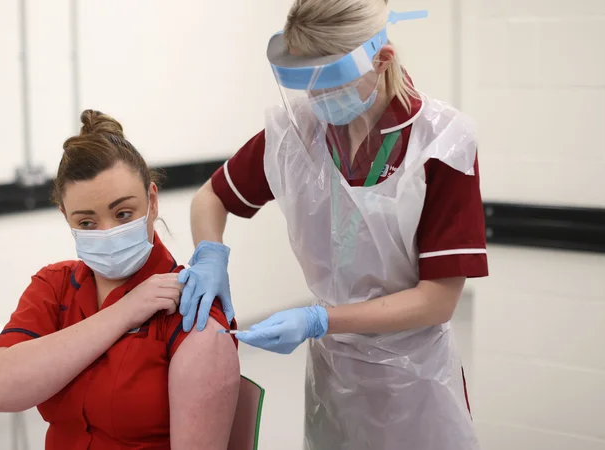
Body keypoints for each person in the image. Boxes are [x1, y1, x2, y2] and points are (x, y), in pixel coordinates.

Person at [178, 0, 488, 448]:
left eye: (331, 82)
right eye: (309, 84)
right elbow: (210, 198)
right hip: (333, 376)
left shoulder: (442, 144)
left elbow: (437, 300)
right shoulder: (296, 133)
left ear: (381, 61)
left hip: (415, 382)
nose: (319, 100)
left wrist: (319, 319)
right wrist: (210, 256)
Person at [0, 110, 240, 450]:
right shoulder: (54, 286)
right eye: (87, 222)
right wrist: (123, 312)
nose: (108, 233)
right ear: (66, 217)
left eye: (123, 214)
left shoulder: (191, 313)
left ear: (152, 200)